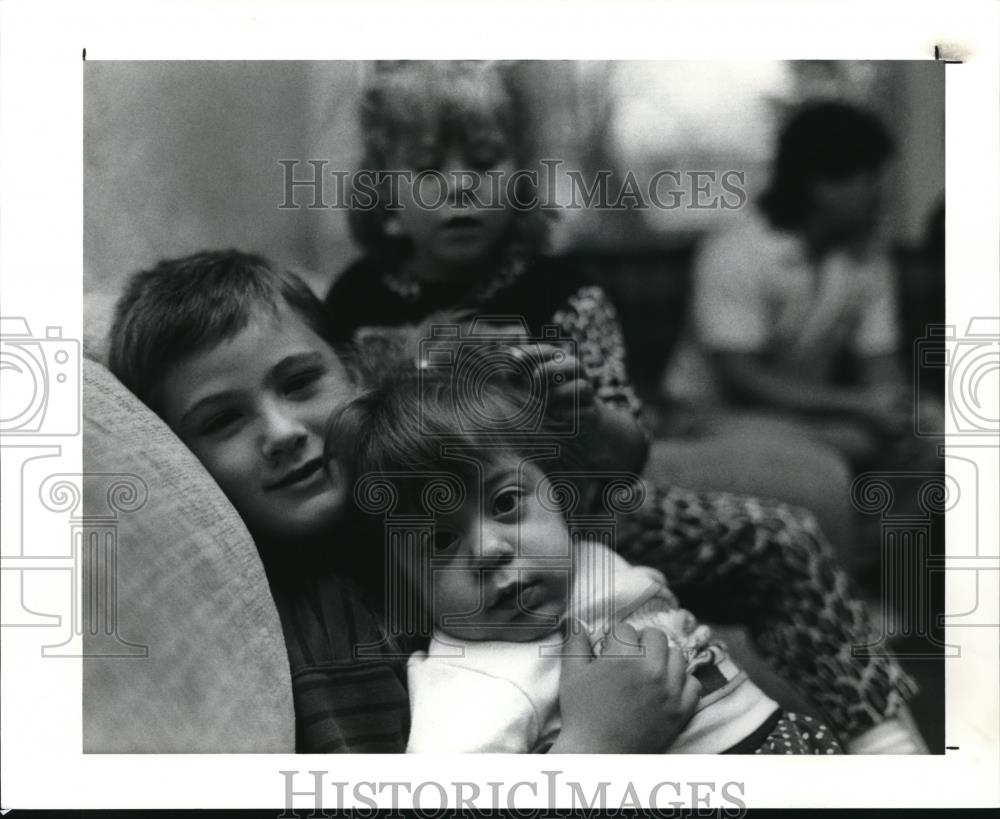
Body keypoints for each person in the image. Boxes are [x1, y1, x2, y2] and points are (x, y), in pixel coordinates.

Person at [324, 61, 925, 752]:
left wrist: (584, 415)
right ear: (386, 200)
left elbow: (628, 458)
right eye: (428, 168)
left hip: (588, 507)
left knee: (780, 534)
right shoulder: (355, 300)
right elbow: (346, 434)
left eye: (485, 163)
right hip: (441, 535)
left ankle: (884, 736)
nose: (461, 184)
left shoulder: (564, 290)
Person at [107, 248, 700, 753]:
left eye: (299, 383)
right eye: (223, 420)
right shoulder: (335, 646)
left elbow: (595, 493)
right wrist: (600, 746)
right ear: (180, 456)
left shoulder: (422, 483)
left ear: (353, 371)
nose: (282, 431)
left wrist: (580, 421)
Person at [328, 371, 843, 755]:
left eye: (506, 503)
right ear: (403, 588)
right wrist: (594, 744)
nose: (488, 550)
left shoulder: (590, 561)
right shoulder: (475, 682)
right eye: (439, 541)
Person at [692, 101, 914, 467]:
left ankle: (887, 526)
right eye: (871, 179)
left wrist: (896, 408)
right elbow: (742, 377)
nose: (881, 197)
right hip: (715, 416)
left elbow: (880, 362)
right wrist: (859, 404)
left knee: (936, 431)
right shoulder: (734, 251)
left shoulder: (868, 256)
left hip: (812, 417)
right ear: (823, 185)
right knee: (838, 448)